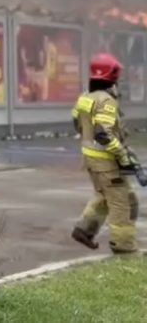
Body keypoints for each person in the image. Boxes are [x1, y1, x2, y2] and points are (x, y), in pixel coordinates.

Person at [71, 52, 140, 254]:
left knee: (105, 195)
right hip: (106, 162)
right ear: (113, 75)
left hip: (91, 159)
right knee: (122, 202)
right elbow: (104, 134)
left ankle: (84, 230)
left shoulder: (85, 97)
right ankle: (124, 247)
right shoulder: (106, 100)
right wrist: (123, 155)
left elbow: (77, 122)